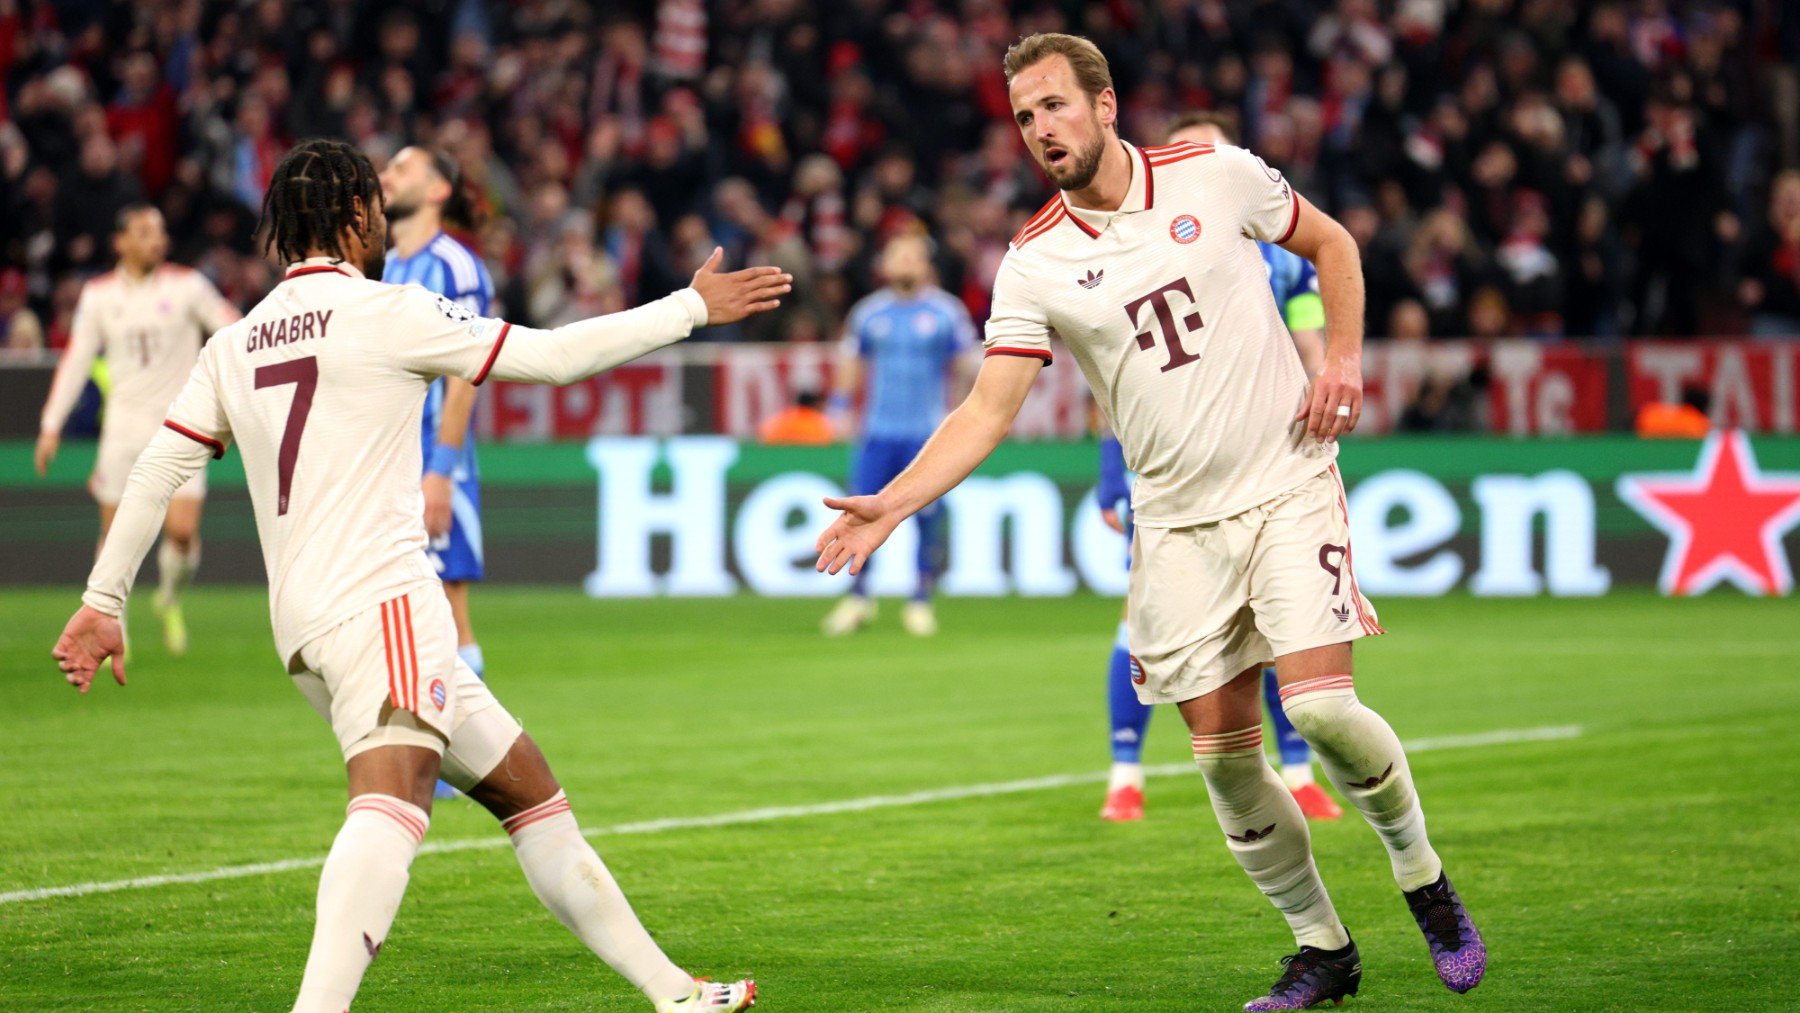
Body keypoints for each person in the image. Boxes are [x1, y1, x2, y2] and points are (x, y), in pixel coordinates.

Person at [814, 35, 1484, 1009]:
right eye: (1026, 116)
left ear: (1106, 104)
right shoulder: (1034, 261)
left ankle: (1423, 877)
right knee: (1225, 762)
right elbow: (987, 410)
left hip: (1288, 481)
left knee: (1324, 707)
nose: (1042, 129)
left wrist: (1341, 358)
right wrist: (893, 501)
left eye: (1055, 105)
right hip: (1172, 527)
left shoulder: (1214, 174)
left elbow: (1332, 244)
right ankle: (1323, 948)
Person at [52, 139, 789, 1013]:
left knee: (531, 794)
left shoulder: (232, 343)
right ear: (359, 216)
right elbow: (553, 358)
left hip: (302, 628)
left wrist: (103, 600)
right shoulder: (390, 309)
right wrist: (687, 308)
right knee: (393, 807)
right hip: (387, 603)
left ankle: (674, 992)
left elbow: (152, 474)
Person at [1095, 112, 1342, 826]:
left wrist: (1325, 384)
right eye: (1193, 154)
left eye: (1219, 153)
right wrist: (1113, 471)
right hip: (1173, 474)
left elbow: (1310, 344)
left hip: (1267, 466)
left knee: (1276, 629)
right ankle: (1125, 775)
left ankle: (1297, 773)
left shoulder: (1282, 257)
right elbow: (1115, 381)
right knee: (1141, 624)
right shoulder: (1140, 252)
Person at [36, 204, 240, 656]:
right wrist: (51, 424)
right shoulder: (99, 294)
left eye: (160, 231)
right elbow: (77, 359)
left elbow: (234, 332)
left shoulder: (188, 286)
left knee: (182, 534)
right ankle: (115, 629)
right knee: (114, 537)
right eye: (145, 231)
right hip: (123, 429)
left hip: (182, 426)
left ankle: (168, 596)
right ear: (120, 242)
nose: (156, 239)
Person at [379, 144, 494, 800]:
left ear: (439, 189)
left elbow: (467, 373)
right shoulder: (388, 264)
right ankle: (431, 741)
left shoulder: (455, 265)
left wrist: (442, 471)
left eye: (403, 168)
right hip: (388, 460)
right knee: (407, 597)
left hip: (431, 462)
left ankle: (463, 754)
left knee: (449, 599)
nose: (388, 176)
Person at [820, 232, 978, 638]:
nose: (905, 262)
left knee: (927, 518)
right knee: (858, 513)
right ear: (885, 265)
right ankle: (858, 597)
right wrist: (839, 405)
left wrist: (963, 415)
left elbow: (966, 364)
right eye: (897, 255)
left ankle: (921, 601)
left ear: (925, 264)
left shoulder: (946, 312)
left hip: (926, 437)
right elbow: (851, 362)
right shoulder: (869, 314)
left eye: (912, 255)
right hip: (877, 434)